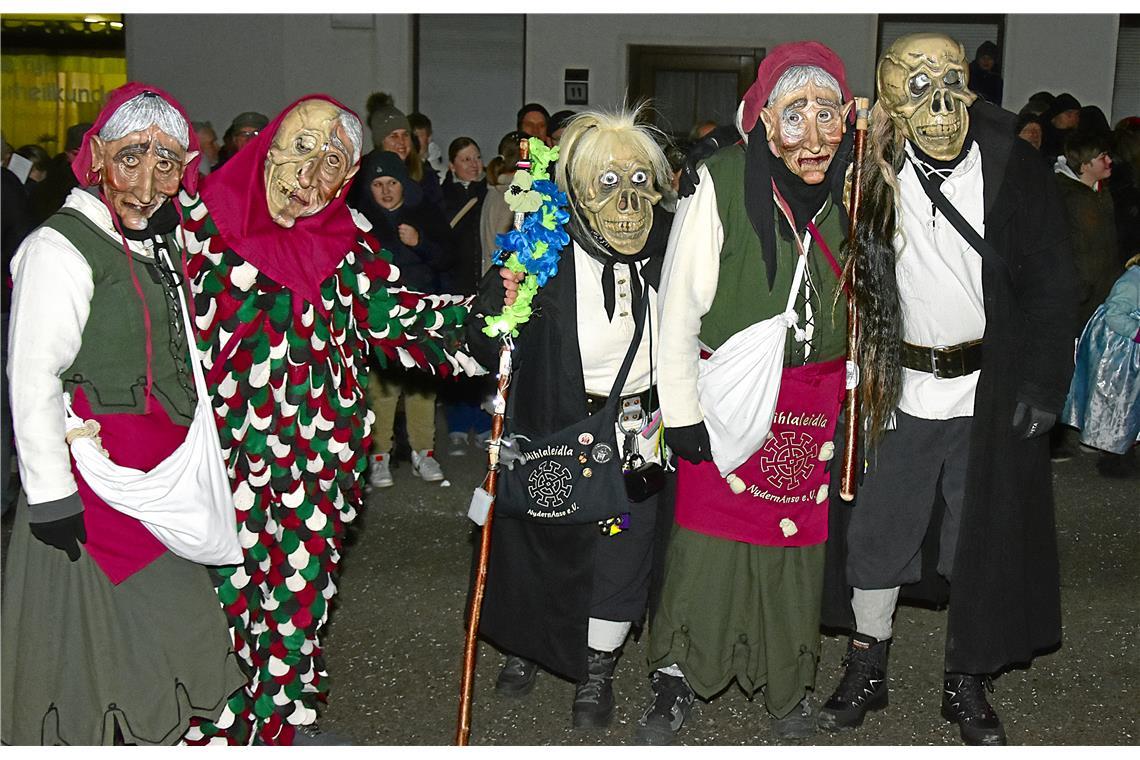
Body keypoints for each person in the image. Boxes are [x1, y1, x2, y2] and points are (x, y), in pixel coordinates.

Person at [178, 95, 475, 746]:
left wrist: (484, 317)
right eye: (304, 147)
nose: (313, 171)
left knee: (299, 601)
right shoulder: (200, 227)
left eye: (334, 160)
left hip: (319, 466)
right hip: (224, 463)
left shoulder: (348, 243)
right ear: (269, 148)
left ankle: (285, 721)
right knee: (224, 607)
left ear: (348, 181)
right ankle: (219, 729)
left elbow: (398, 321)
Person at [816, 33, 1078, 746]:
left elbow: (1054, 284)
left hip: (985, 392)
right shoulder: (869, 164)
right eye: (916, 86)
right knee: (877, 533)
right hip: (898, 389)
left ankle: (969, 675)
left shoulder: (1012, 167)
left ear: (971, 86)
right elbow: (780, 156)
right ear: (892, 100)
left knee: (980, 537)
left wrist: (1044, 384)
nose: (938, 107)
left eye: (950, 84)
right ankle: (868, 662)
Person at [1, 82, 245, 746]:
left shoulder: (149, 240)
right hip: (92, 481)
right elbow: (33, 373)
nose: (149, 175)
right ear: (98, 156)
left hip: (157, 473)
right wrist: (52, 494)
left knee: (156, 640)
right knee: (109, 648)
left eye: (167, 160)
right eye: (133, 155)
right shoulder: (60, 245)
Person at [642, 41, 856, 744]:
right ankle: (675, 677)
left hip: (810, 403)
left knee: (793, 556)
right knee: (704, 549)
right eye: (796, 115)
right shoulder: (721, 182)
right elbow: (677, 307)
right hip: (727, 397)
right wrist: (679, 412)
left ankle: (788, 684)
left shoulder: (856, 192)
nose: (816, 136)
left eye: (829, 114)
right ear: (763, 121)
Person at [467, 105, 675, 730]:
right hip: (555, 420)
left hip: (637, 424)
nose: (628, 202)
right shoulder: (541, 251)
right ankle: (530, 645)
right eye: (609, 184)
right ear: (577, 193)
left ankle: (598, 665)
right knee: (542, 540)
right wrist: (494, 305)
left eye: (641, 182)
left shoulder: (671, 246)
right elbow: (482, 344)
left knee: (624, 544)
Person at [350, 150, 454, 488]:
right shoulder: (359, 221)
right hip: (380, 311)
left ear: (403, 184)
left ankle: (423, 452)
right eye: (378, 184)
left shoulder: (424, 213)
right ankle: (379, 456)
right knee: (382, 386)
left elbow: (447, 257)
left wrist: (420, 242)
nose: (385, 191)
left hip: (420, 308)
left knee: (421, 385)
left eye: (392, 182)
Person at [1062, 255, 1140, 478]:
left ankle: (1109, 443)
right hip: (1121, 353)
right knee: (1119, 401)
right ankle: (1113, 455)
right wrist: (1136, 331)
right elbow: (1114, 314)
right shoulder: (1132, 281)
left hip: (1131, 351)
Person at [439, 136, 492, 455]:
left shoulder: (493, 194)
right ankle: (457, 424)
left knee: (483, 352)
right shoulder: (442, 196)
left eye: (477, 157)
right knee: (455, 354)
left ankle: (484, 423)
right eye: (465, 159)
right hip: (452, 286)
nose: (473, 164)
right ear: (452, 165)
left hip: (483, 285)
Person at [364, 92, 443, 210]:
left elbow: (438, 218)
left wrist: (418, 229)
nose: (402, 142)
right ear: (381, 141)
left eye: (405, 135)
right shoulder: (364, 171)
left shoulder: (425, 174)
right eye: (394, 136)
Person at [29, 122, 91, 226]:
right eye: (76, 153)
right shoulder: (51, 186)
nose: (82, 159)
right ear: (67, 154)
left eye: (88, 153)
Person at [480, 131, 525, 273]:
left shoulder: (494, 190)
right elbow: (505, 248)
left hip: (492, 276)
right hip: (504, 281)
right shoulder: (511, 197)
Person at [1041, 92, 1081, 162]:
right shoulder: (1039, 135)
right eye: (1069, 114)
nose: (1074, 118)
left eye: (1077, 114)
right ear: (1055, 115)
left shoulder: (1077, 138)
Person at [408, 111, 446, 177]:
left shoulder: (438, 173)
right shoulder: (398, 168)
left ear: (429, 138)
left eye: (416, 136)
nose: (413, 141)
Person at [968, 41, 1003, 105]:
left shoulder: (997, 80)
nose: (986, 61)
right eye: (983, 58)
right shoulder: (968, 75)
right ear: (978, 59)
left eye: (990, 58)